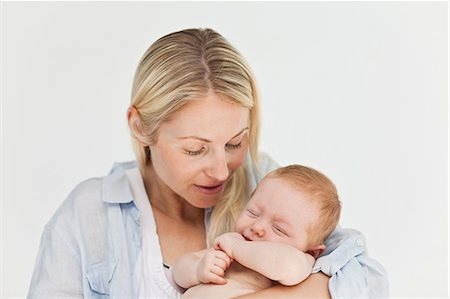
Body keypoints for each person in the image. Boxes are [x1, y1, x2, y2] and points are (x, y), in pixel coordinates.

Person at [28, 28, 389, 298]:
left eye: (234, 143)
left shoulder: (268, 185)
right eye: (194, 150)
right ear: (141, 128)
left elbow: (366, 279)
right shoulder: (89, 216)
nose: (221, 171)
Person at [174, 164, 341, 298]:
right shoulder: (231, 241)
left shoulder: (301, 261)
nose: (257, 227)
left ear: (312, 252)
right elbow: (179, 270)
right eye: (253, 212)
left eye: (278, 229)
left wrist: (236, 248)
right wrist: (198, 269)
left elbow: (287, 268)